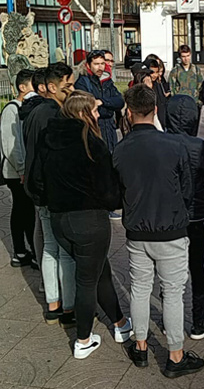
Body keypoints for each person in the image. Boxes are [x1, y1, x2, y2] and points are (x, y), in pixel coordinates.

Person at [28, 91, 131, 358]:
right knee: (87, 279)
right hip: (89, 221)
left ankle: (120, 323)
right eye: (95, 110)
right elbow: (108, 188)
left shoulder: (48, 138)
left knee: (99, 271)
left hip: (61, 220)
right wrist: (113, 202)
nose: (98, 115)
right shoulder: (90, 141)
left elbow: (36, 180)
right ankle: (83, 340)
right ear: (83, 112)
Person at [114, 85, 204, 377]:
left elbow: (116, 193)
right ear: (155, 110)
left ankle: (141, 346)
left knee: (140, 289)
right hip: (171, 228)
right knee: (172, 292)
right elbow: (188, 189)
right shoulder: (174, 145)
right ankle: (175, 355)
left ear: (129, 113)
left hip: (137, 230)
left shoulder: (120, 148)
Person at [23, 63, 76, 327]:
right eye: (68, 85)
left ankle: (53, 304)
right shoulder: (54, 114)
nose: (72, 89)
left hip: (37, 187)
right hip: (51, 190)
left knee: (49, 248)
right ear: (53, 87)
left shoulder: (32, 112)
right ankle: (68, 307)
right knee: (63, 250)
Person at [166, 94, 204, 341]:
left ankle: (170, 321)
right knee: (200, 269)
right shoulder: (199, 145)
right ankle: (199, 321)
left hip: (170, 216)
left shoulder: (161, 143)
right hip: (197, 214)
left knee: (168, 271)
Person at [1, 70, 37, 268]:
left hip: (24, 170)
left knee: (23, 210)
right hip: (16, 172)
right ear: (22, 87)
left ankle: (23, 250)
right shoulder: (12, 110)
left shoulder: (27, 108)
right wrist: (22, 169)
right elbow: (11, 144)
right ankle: (21, 250)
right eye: (32, 84)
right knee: (23, 210)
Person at [74, 49, 125, 153]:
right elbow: (88, 106)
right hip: (94, 129)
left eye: (102, 63)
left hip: (110, 129)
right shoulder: (82, 82)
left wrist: (102, 102)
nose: (100, 67)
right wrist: (108, 105)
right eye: (96, 64)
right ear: (88, 65)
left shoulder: (107, 81)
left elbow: (120, 101)